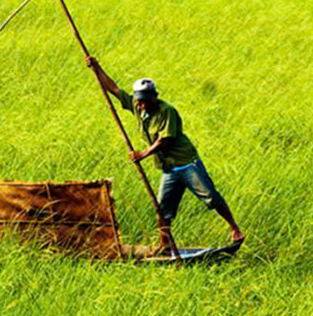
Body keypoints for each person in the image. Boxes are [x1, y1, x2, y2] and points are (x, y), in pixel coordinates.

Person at [85, 56, 243, 251]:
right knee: (163, 209)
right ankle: (165, 244)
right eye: (139, 101)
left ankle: (234, 228)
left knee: (210, 196)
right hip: (168, 168)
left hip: (186, 163)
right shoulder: (137, 106)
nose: (142, 105)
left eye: (145, 101)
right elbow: (114, 89)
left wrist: (143, 154)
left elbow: (164, 140)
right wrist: (97, 67)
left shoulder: (166, 111)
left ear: (155, 96)